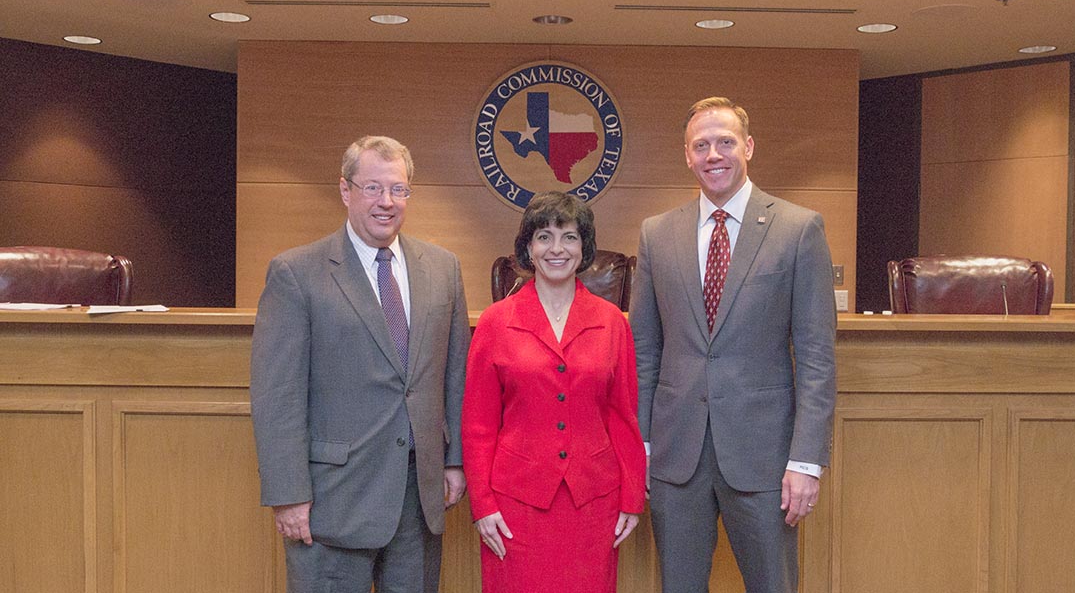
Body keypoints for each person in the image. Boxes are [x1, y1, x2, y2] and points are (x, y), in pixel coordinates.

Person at [630, 97, 837, 593]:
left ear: (748, 146)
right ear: (687, 155)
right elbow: (645, 353)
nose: (713, 154)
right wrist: (641, 447)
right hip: (676, 459)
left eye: (725, 142)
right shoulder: (657, 234)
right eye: (701, 145)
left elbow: (815, 358)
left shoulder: (797, 228)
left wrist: (806, 461)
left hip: (765, 459)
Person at [249, 135, 471, 593]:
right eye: (372, 188)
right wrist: (289, 495)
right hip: (331, 504)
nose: (386, 202)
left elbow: (454, 377)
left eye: (398, 189)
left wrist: (454, 462)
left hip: (417, 501)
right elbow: (278, 396)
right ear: (346, 190)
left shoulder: (443, 268)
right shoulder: (297, 272)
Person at [462, 191, 647, 593]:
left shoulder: (612, 321)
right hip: (515, 505)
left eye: (569, 237)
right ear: (528, 247)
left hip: (593, 504)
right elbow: (478, 424)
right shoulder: (497, 322)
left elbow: (623, 415)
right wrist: (482, 504)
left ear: (585, 248)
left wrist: (632, 496)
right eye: (544, 237)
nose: (557, 249)